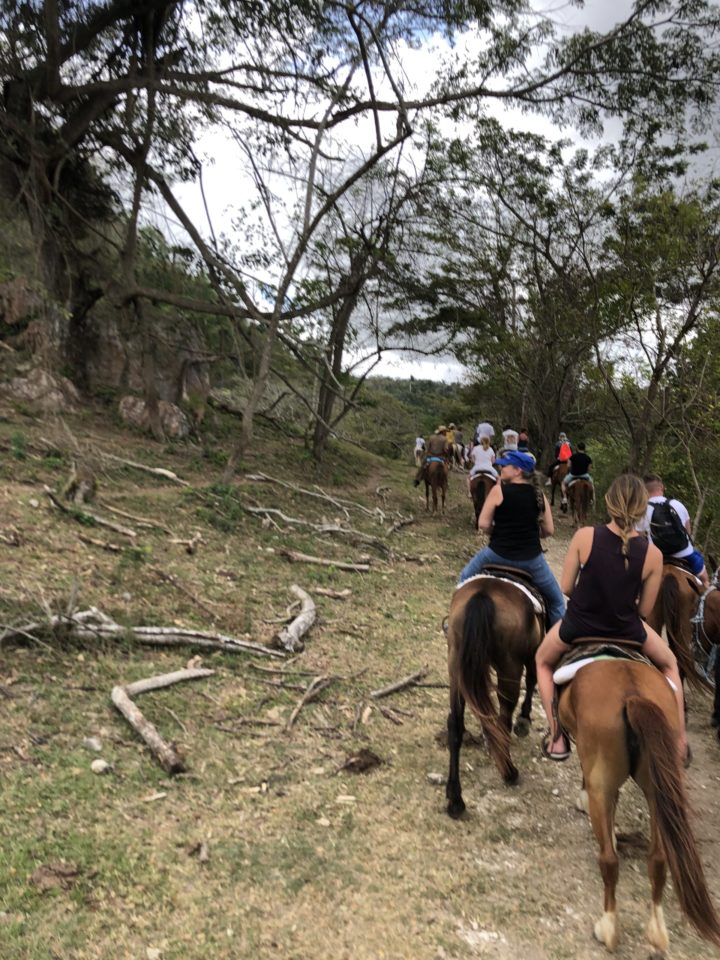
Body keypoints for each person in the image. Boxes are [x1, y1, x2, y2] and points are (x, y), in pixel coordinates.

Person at [535, 474, 687, 762]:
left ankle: (557, 737)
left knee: (542, 661)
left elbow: (566, 587)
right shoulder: (653, 554)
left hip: (579, 625)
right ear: (642, 508)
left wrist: (590, 598)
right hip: (627, 629)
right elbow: (644, 610)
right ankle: (679, 742)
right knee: (670, 664)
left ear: (609, 502)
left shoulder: (584, 536)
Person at [458, 450, 565, 626]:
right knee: (557, 602)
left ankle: (455, 624)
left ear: (518, 470)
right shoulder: (539, 495)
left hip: (496, 555)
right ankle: (558, 641)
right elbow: (549, 530)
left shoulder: (498, 491)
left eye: (505, 465)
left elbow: (483, 524)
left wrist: (498, 531)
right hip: (531, 560)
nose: (501, 468)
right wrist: (530, 533)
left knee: (464, 580)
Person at [638, 474, 710, 589]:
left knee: (633, 585)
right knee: (705, 580)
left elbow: (638, 539)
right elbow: (688, 532)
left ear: (644, 491)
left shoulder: (641, 510)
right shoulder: (678, 505)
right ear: (662, 488)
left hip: (655, 556)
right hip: (684, 553)